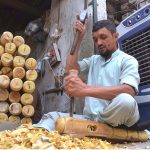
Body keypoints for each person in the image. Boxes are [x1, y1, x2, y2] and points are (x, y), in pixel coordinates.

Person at [33, 18, 140, 131]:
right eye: (95, 39)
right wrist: (78, 38)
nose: (99, 43)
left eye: (103, 37)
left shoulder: (127, 60)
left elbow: (129, 90)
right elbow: (71, 68)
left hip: (116, 119)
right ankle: (32, 139)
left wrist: (84, 89)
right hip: (90, 120)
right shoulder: (94, 60)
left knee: (126, 101)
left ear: (116, 36)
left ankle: (101, 126)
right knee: (51, 117)